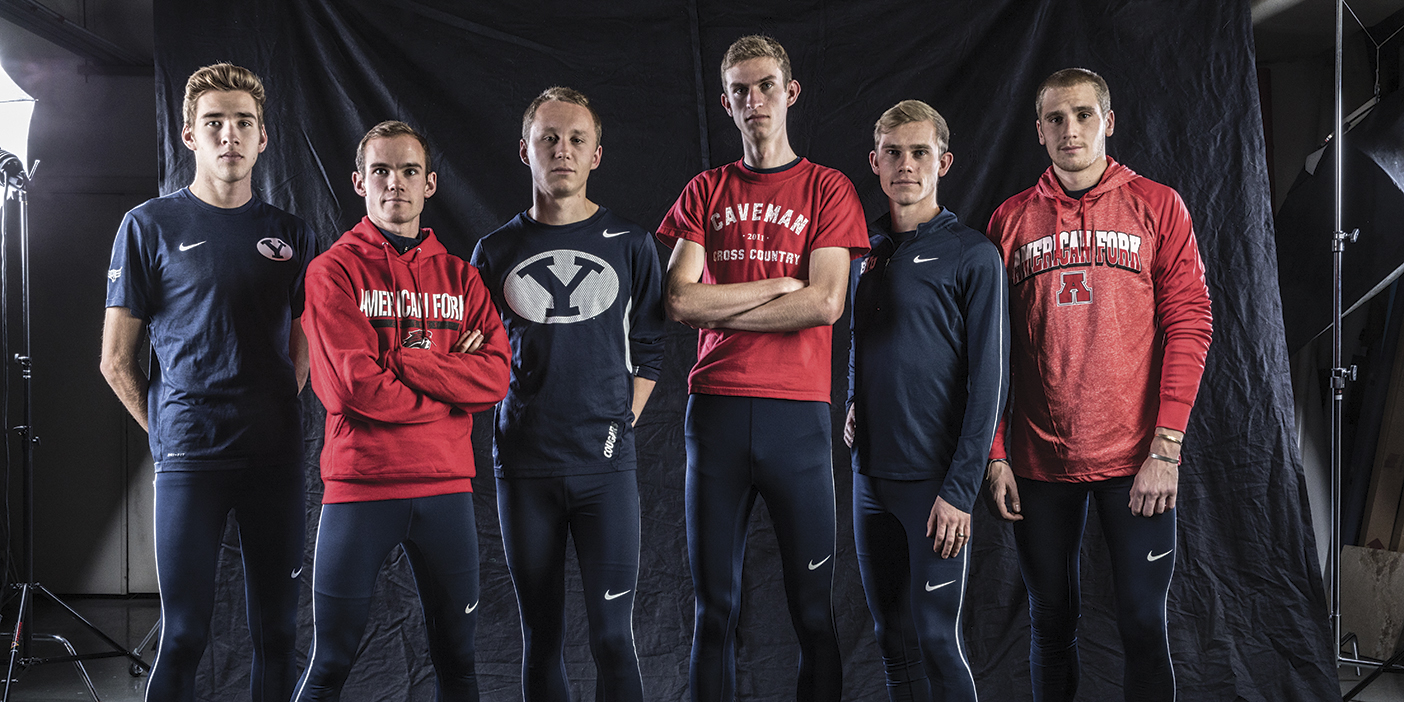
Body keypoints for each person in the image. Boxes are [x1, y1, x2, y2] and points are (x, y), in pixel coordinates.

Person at [982, 68, 1213, 702]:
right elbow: (986, 351)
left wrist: (1166, 448)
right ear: (1038, 131)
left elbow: (1191, 321)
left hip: (1136, 460)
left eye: (1083, 115)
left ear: (1108, 122)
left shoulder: (1157, 205)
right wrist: (995, 452)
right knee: (1051, 623)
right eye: (1055, 119)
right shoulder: (1008, 220)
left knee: (1142, 623)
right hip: (1037, 461)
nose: (1070, 130)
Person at [656, 34, 870, 702]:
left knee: (812, 611)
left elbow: (827, 301)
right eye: (741, 90)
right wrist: (779, 286)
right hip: (715, 414)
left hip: (797, 419)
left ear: (790, 92)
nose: (755, 101)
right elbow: (678, 299)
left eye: (766, 85)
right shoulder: (706, 190)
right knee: (713, 611)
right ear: (725, 102)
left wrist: (721, 311)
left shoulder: (827, 188)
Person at [99, 62, 315, 702]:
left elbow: (302, 349)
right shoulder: (148, 227)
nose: (230, 136)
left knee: (277, 633)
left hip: (274, 458)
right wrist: (167, 431)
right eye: (214, 123)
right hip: (190, 457)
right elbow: (115, 361)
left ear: (262, 138)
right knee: (186, 633)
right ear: (189, 134)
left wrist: (272, 405)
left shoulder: (291, 233)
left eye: (243, 123)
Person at [294, 120, 509, 700]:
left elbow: (493, 379)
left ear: (430, 183)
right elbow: (351, 391)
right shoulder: (332, 271)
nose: (396, 183)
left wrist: (403, 362)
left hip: (446, 492)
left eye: (409, 171)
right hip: (360, 487)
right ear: (360, 182)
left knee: (460, 665)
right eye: (382, 171)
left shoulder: (462, 277)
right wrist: (447, 386)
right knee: (330, 663)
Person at [471, 86, 664, 702]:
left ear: (597, 154)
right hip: (523, 466)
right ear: (524, 150)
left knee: (613, 639)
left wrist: (617, 424)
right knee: (541, 637)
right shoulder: (494, 252)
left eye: (576, 139)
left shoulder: (631, 244)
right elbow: (473, 358)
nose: (562, 150)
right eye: (548, 138)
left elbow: (653, 350)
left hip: (604, 468)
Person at [845, 100, 1008, 702]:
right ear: (875, 161)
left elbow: (989, 384)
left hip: (935, 486)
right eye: (893, 152)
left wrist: (960, 492)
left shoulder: (973, 254)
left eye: (919, 153)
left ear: (944, 162)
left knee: (937, 639)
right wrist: (851, 398)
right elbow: (861, 339)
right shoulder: (864, 250)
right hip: (871, 481)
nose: (905, 165)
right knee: (892, 636)